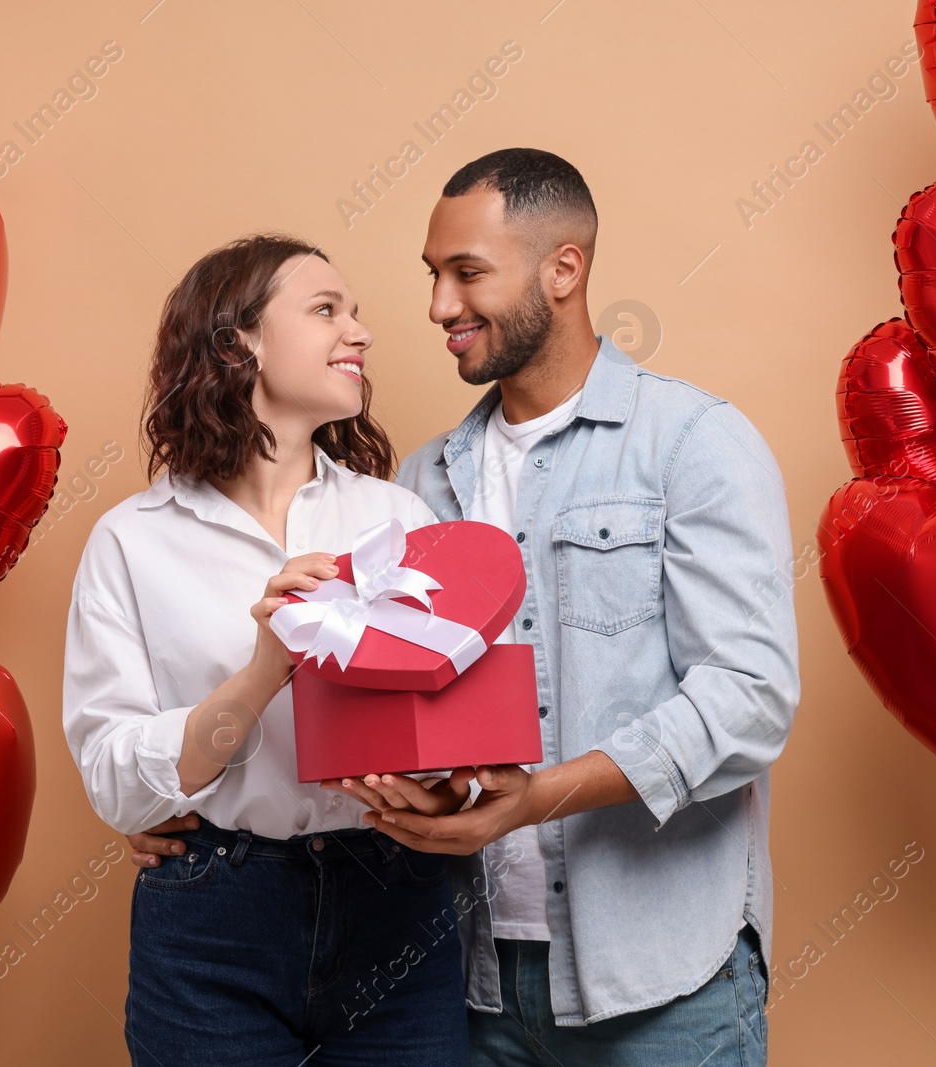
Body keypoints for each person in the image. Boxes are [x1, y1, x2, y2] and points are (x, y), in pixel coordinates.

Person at [342, 148, 800, 1065]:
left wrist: (537, 798)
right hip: (470, 978)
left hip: (664, 979)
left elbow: (749, 697)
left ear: (564, 269)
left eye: (467, 273)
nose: (439, 306)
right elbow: (412, 700)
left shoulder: (694, 443)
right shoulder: (421, 480)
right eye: (433, 276)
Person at [62, 233, 476, 1067]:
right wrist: (262, 671)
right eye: (327, 310)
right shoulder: (130, 542)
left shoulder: (399, 521)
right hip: (214, 919)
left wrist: (440, 793)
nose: (359, 332)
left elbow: (459, 746)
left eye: (354, 313)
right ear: (235, 341)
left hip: (395, 901)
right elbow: (115, 783)